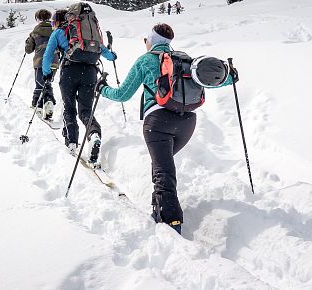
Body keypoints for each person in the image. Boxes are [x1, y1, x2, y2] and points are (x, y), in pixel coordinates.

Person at [95, 23, 237, 235]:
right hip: (187, 123)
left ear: (150, 41)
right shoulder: (184, 61)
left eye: (146, 40)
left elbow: (122, 95)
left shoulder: (145, 60)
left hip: (158, 124)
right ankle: (158, 205)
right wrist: (231, 76)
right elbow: (215, 80)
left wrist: (102, 88)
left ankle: (171, 222)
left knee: (164, 170)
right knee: (162, 164)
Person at [42, 7, 117, 166]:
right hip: (90, 72)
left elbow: (48, 55)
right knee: (85, 110)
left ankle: (72, 142)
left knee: (69, 107)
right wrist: (112, 55)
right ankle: (94, 134)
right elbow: (105, 52)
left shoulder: (59, 32)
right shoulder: (86, 32)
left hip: (69, 71)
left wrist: (47, 74)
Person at [25, 9, 58, 118]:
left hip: (40, 61)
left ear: (38, 19)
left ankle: (37, 106)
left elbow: (28, 50)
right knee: (47, 82)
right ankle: (49, 102)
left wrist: (28, 41)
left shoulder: (35, 31)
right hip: (53, 61)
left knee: (39, 84)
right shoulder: (55, 30)